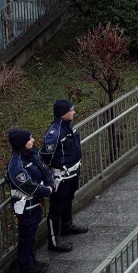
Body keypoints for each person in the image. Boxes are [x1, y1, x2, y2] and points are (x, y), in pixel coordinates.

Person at [41, 100, 88, 251]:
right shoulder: (54, 133)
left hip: (73, 172)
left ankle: (67, 226)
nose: (74, 112)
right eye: (71, 110)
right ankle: (54, 241)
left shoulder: (69, 126)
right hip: (62, 176)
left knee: (68, 199)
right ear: (63, 113)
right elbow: (46, 156)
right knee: (57, 206)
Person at [7, 129, 55, 273]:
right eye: (30, 138)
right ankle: (26, 267)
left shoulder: (32, 154)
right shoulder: (16, 166)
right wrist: (46, 190)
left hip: (35, 203)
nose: (33, 140)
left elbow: (44, 169)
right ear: (22, 143)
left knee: (31, 235)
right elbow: (28, 185)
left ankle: (31, 261)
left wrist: (50, 183)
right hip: (26, 206)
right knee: (26, 237)